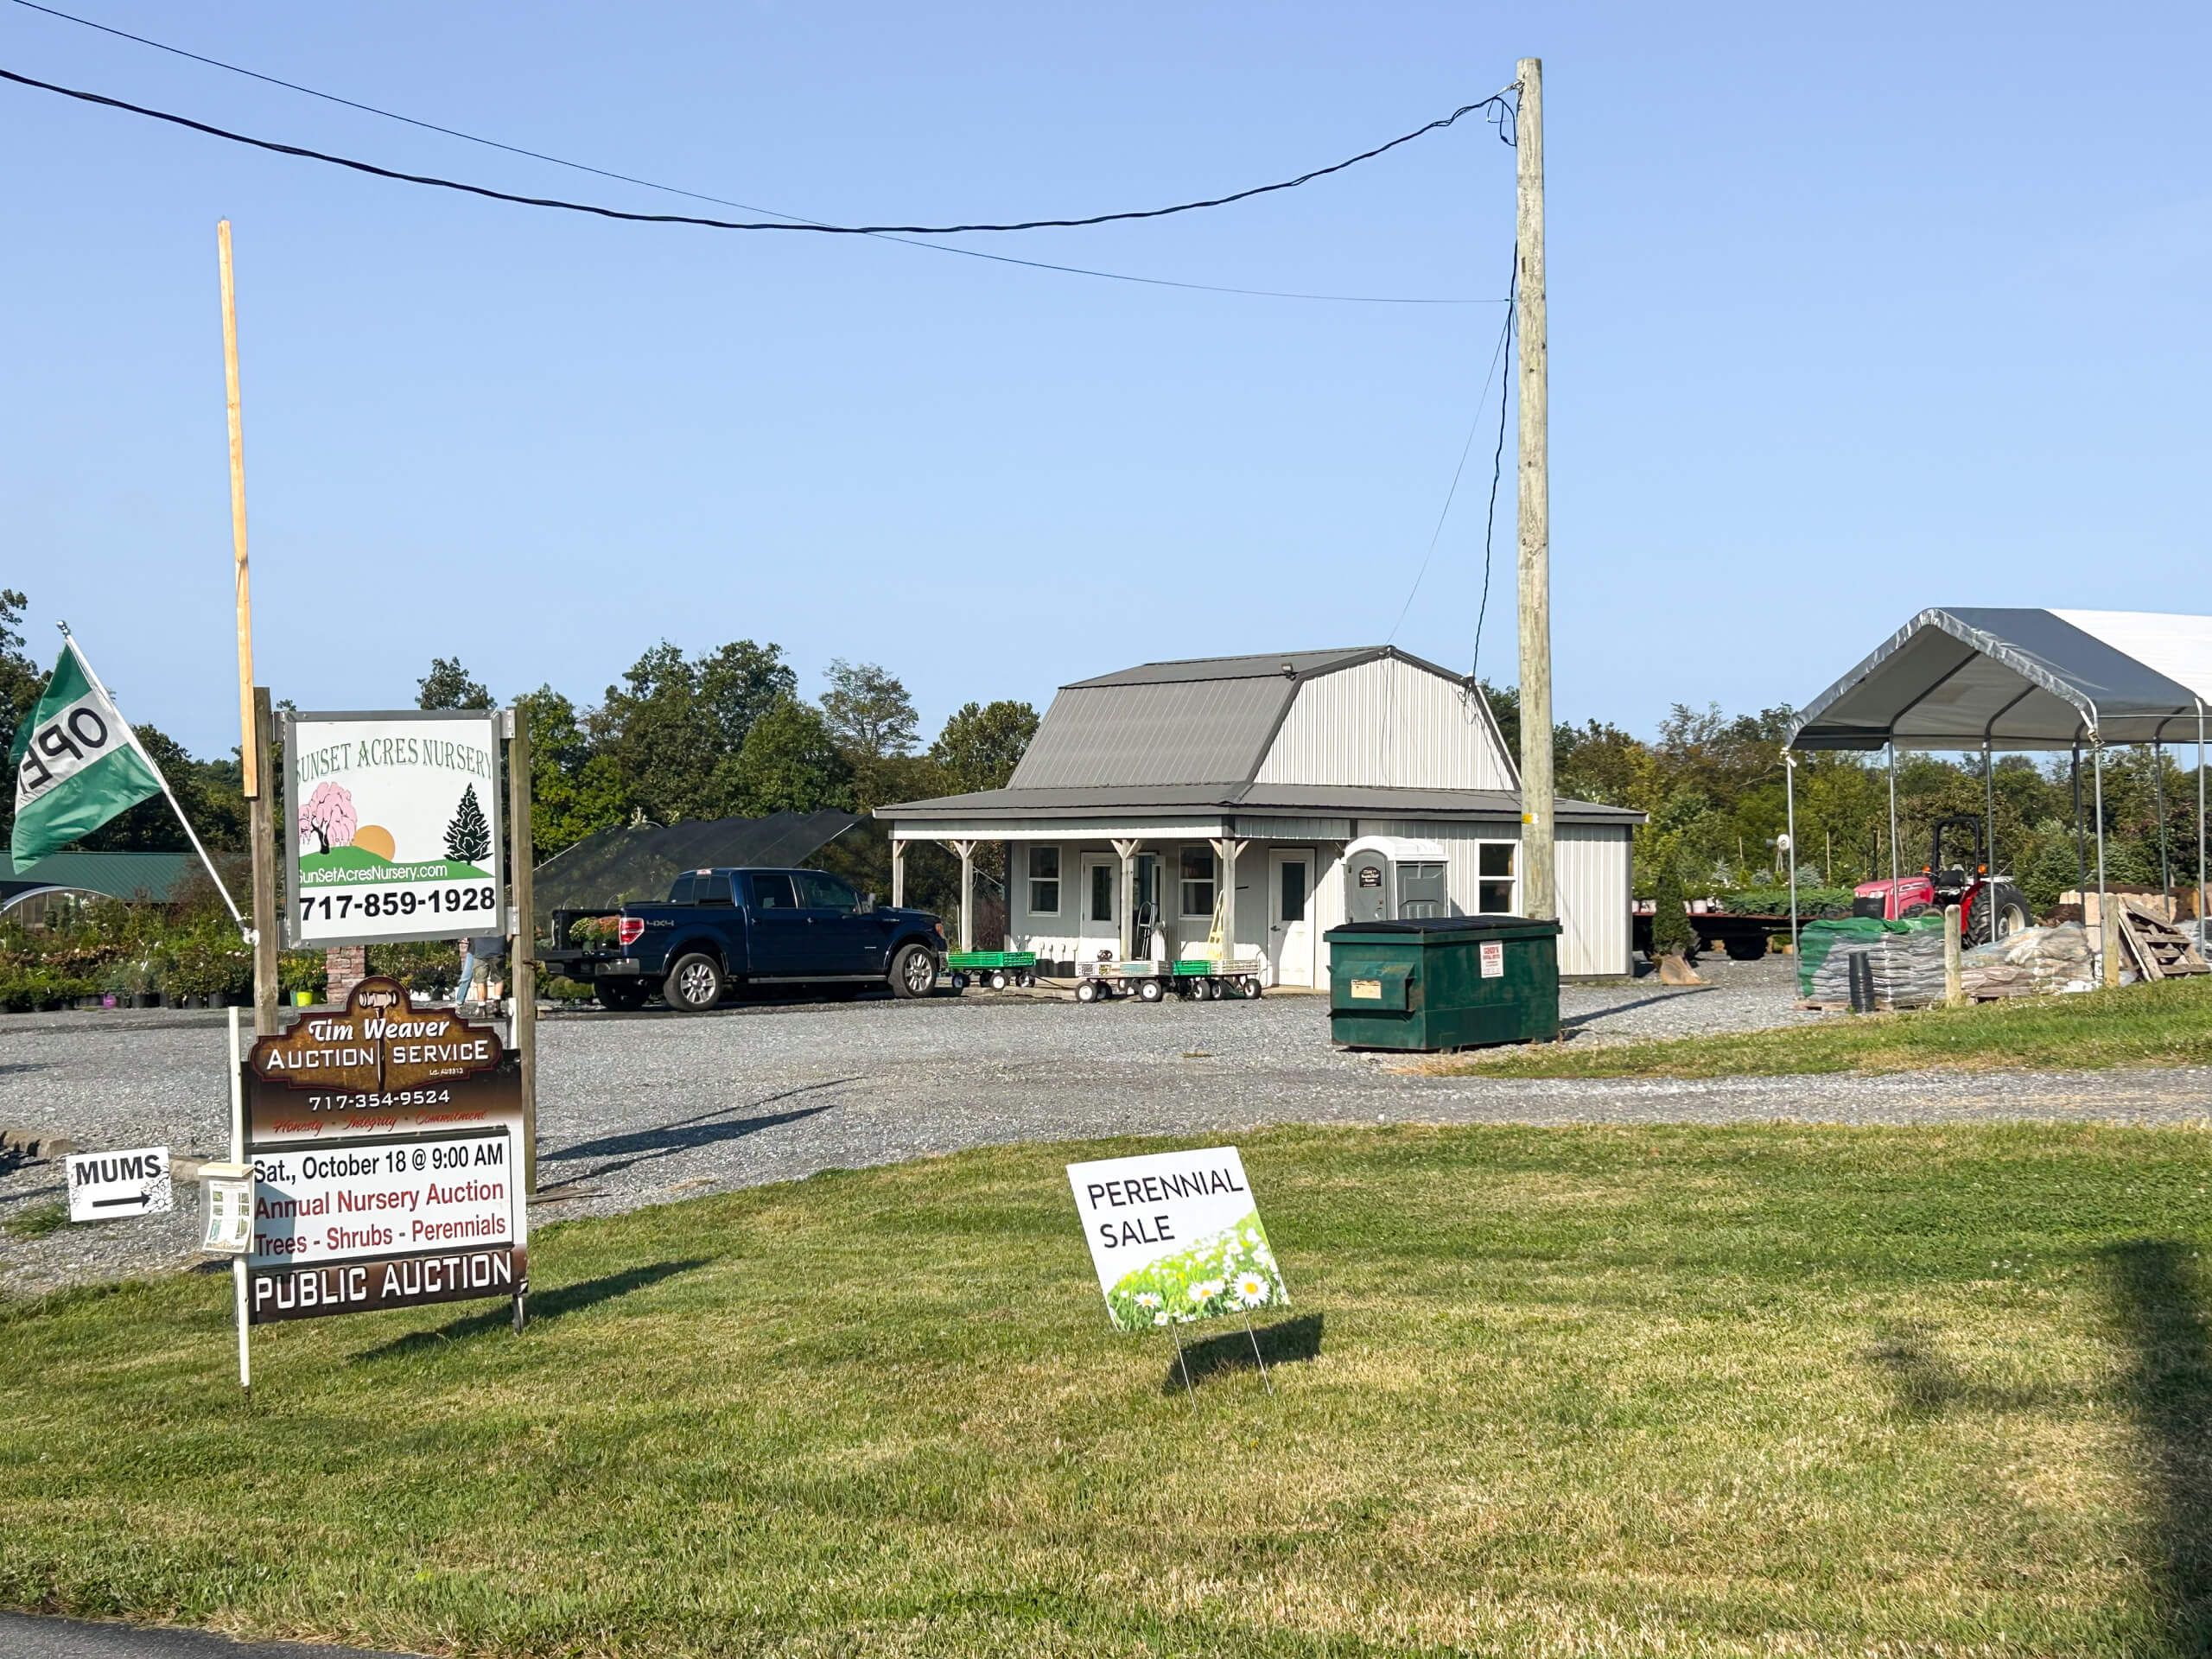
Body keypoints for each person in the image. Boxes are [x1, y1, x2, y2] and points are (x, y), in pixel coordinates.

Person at [454, 933, 507, 1010]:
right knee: (497, 979)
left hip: (478, 950)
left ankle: (481, 1007)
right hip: (483, 950)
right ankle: (495, 1005)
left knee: (479, 980)